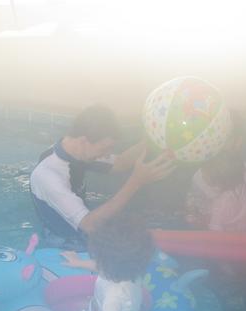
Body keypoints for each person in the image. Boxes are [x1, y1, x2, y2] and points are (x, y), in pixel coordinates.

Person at [29, 105, 174, 245]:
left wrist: (152, 140)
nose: (107, 155)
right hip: (66, 243)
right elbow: (90, 225)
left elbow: (120, 163)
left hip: (83, 228)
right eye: (104, 148)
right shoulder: (49, 175)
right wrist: (136, 182)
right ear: (83, 141)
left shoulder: (75, 151)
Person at [45, 216, 153, 311]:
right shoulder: (129, 269)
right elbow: (103, 265)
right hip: (108, 307)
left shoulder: (113, 297)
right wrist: (79, 262)